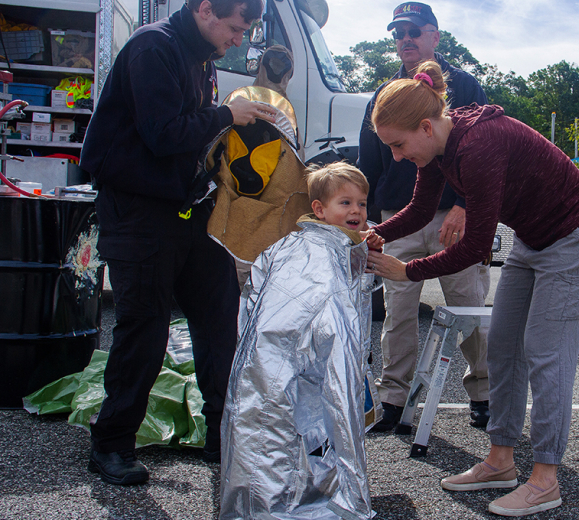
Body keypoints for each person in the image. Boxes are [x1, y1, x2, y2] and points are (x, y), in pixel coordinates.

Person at [364, 61, 579, 517]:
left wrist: (408, 270)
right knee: (501, 347)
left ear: (423, 126)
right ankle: (500, 461)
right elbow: (420, 209)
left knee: (546, 351)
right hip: (534, 238)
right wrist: (378, 233)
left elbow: (476, 245)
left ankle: (545, 480)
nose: (396, 156)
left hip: (574, 235)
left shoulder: (477, 145)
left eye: (398, 145)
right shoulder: (440, 145)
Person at [79, 0, 270, 485]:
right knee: (144, 329)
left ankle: (222, 436)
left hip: (188, 210)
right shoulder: (153, 47)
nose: (238, 40)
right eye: (234, 27)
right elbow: (163, 135)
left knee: (219, 321)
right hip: (139, 211)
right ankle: (111, 445)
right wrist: (226, 114)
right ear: (206, 9)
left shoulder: (200, 56)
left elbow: (192, 139)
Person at [358, 1, 491, 432]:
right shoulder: (384, 94)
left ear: (435, 35)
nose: (405, 40)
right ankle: (394, 401)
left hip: (453, 217)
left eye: (414, 30)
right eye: (397, 33)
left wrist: (467, 205)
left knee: (468, 310)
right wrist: (364, 220)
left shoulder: (465, 85)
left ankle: (486, 395)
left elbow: (485, 155)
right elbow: (369, 163)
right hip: (398, 214)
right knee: (397, 315)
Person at [220, 163, 374, 520]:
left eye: (362, 204)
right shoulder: (316, 260)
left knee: (279, 450)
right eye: (346, 203)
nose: (356, 212)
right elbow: (338, 353)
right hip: (283, 379)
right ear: (319, 209)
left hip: (271, 379)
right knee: (281, 450)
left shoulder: (307, 245)